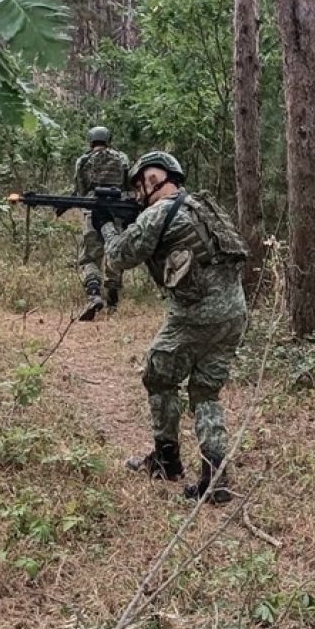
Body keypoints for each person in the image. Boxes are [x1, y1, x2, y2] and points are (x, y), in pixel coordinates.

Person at [97, 151, 249, 504]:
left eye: (141, 184)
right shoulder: (203, 205)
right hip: (234, 312)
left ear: (154, 180)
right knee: (205, 392)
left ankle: (166, 459)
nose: (137, 192)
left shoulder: (158, 213)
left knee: (158, 376)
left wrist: (106, 225)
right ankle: (215, 478)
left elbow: (119, 255)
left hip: (196, 314)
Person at [72, 126, 130, 321]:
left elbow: (80, 189)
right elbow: (128, 185)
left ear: (91, 141)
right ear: (108, 139)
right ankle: (113, 291)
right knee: (114, 250)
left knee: (90, 256)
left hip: (92, 209)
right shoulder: (122, 159)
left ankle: (94, 292)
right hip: (116, 211)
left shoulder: (83, 160)